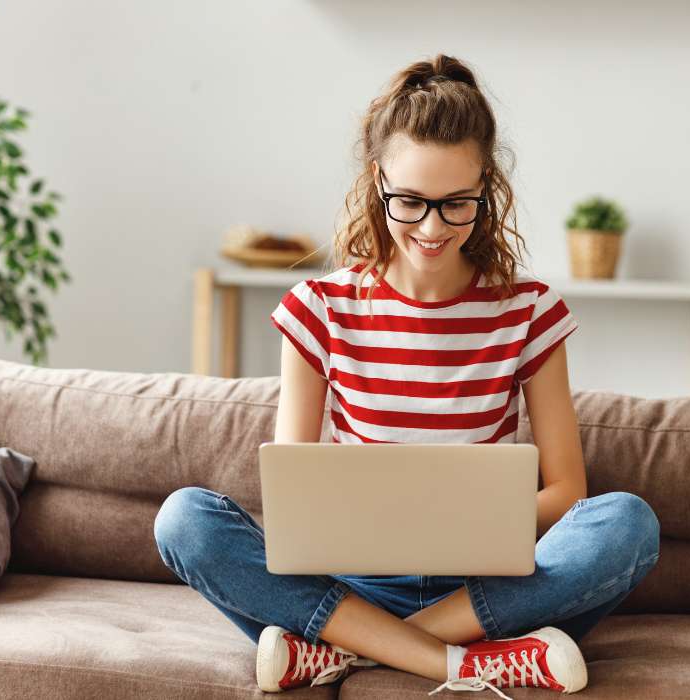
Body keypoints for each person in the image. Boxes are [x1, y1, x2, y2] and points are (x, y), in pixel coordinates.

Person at [154, 53, 660, 699]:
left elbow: (566, 491)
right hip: (350, 585)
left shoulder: (528, 312)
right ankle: (465, 663)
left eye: (457, 205)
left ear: (487, 189)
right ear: (376, 181)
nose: (431, 227)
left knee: (627, 524)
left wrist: (468, 530)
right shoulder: (321, 308)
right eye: (411, 202)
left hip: (485, 589)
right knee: (185, 520)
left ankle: (350, 652)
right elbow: (296, 497)